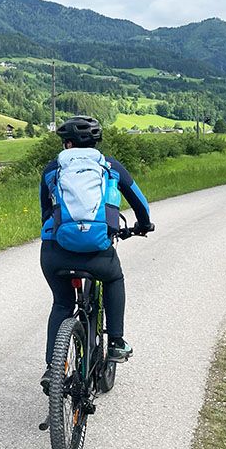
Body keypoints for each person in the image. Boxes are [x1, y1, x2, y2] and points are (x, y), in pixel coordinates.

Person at [38, 116, 153, 394]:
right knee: (114, 278)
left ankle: (54, 370)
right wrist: (143, 224)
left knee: (62, 304)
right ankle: (115, 342)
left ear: (66, 143)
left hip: (56, 252)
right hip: (98, 252)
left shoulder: (53, 169)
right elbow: (140, 202)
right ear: (95, 142)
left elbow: (45, 212)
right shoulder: (110, 166)